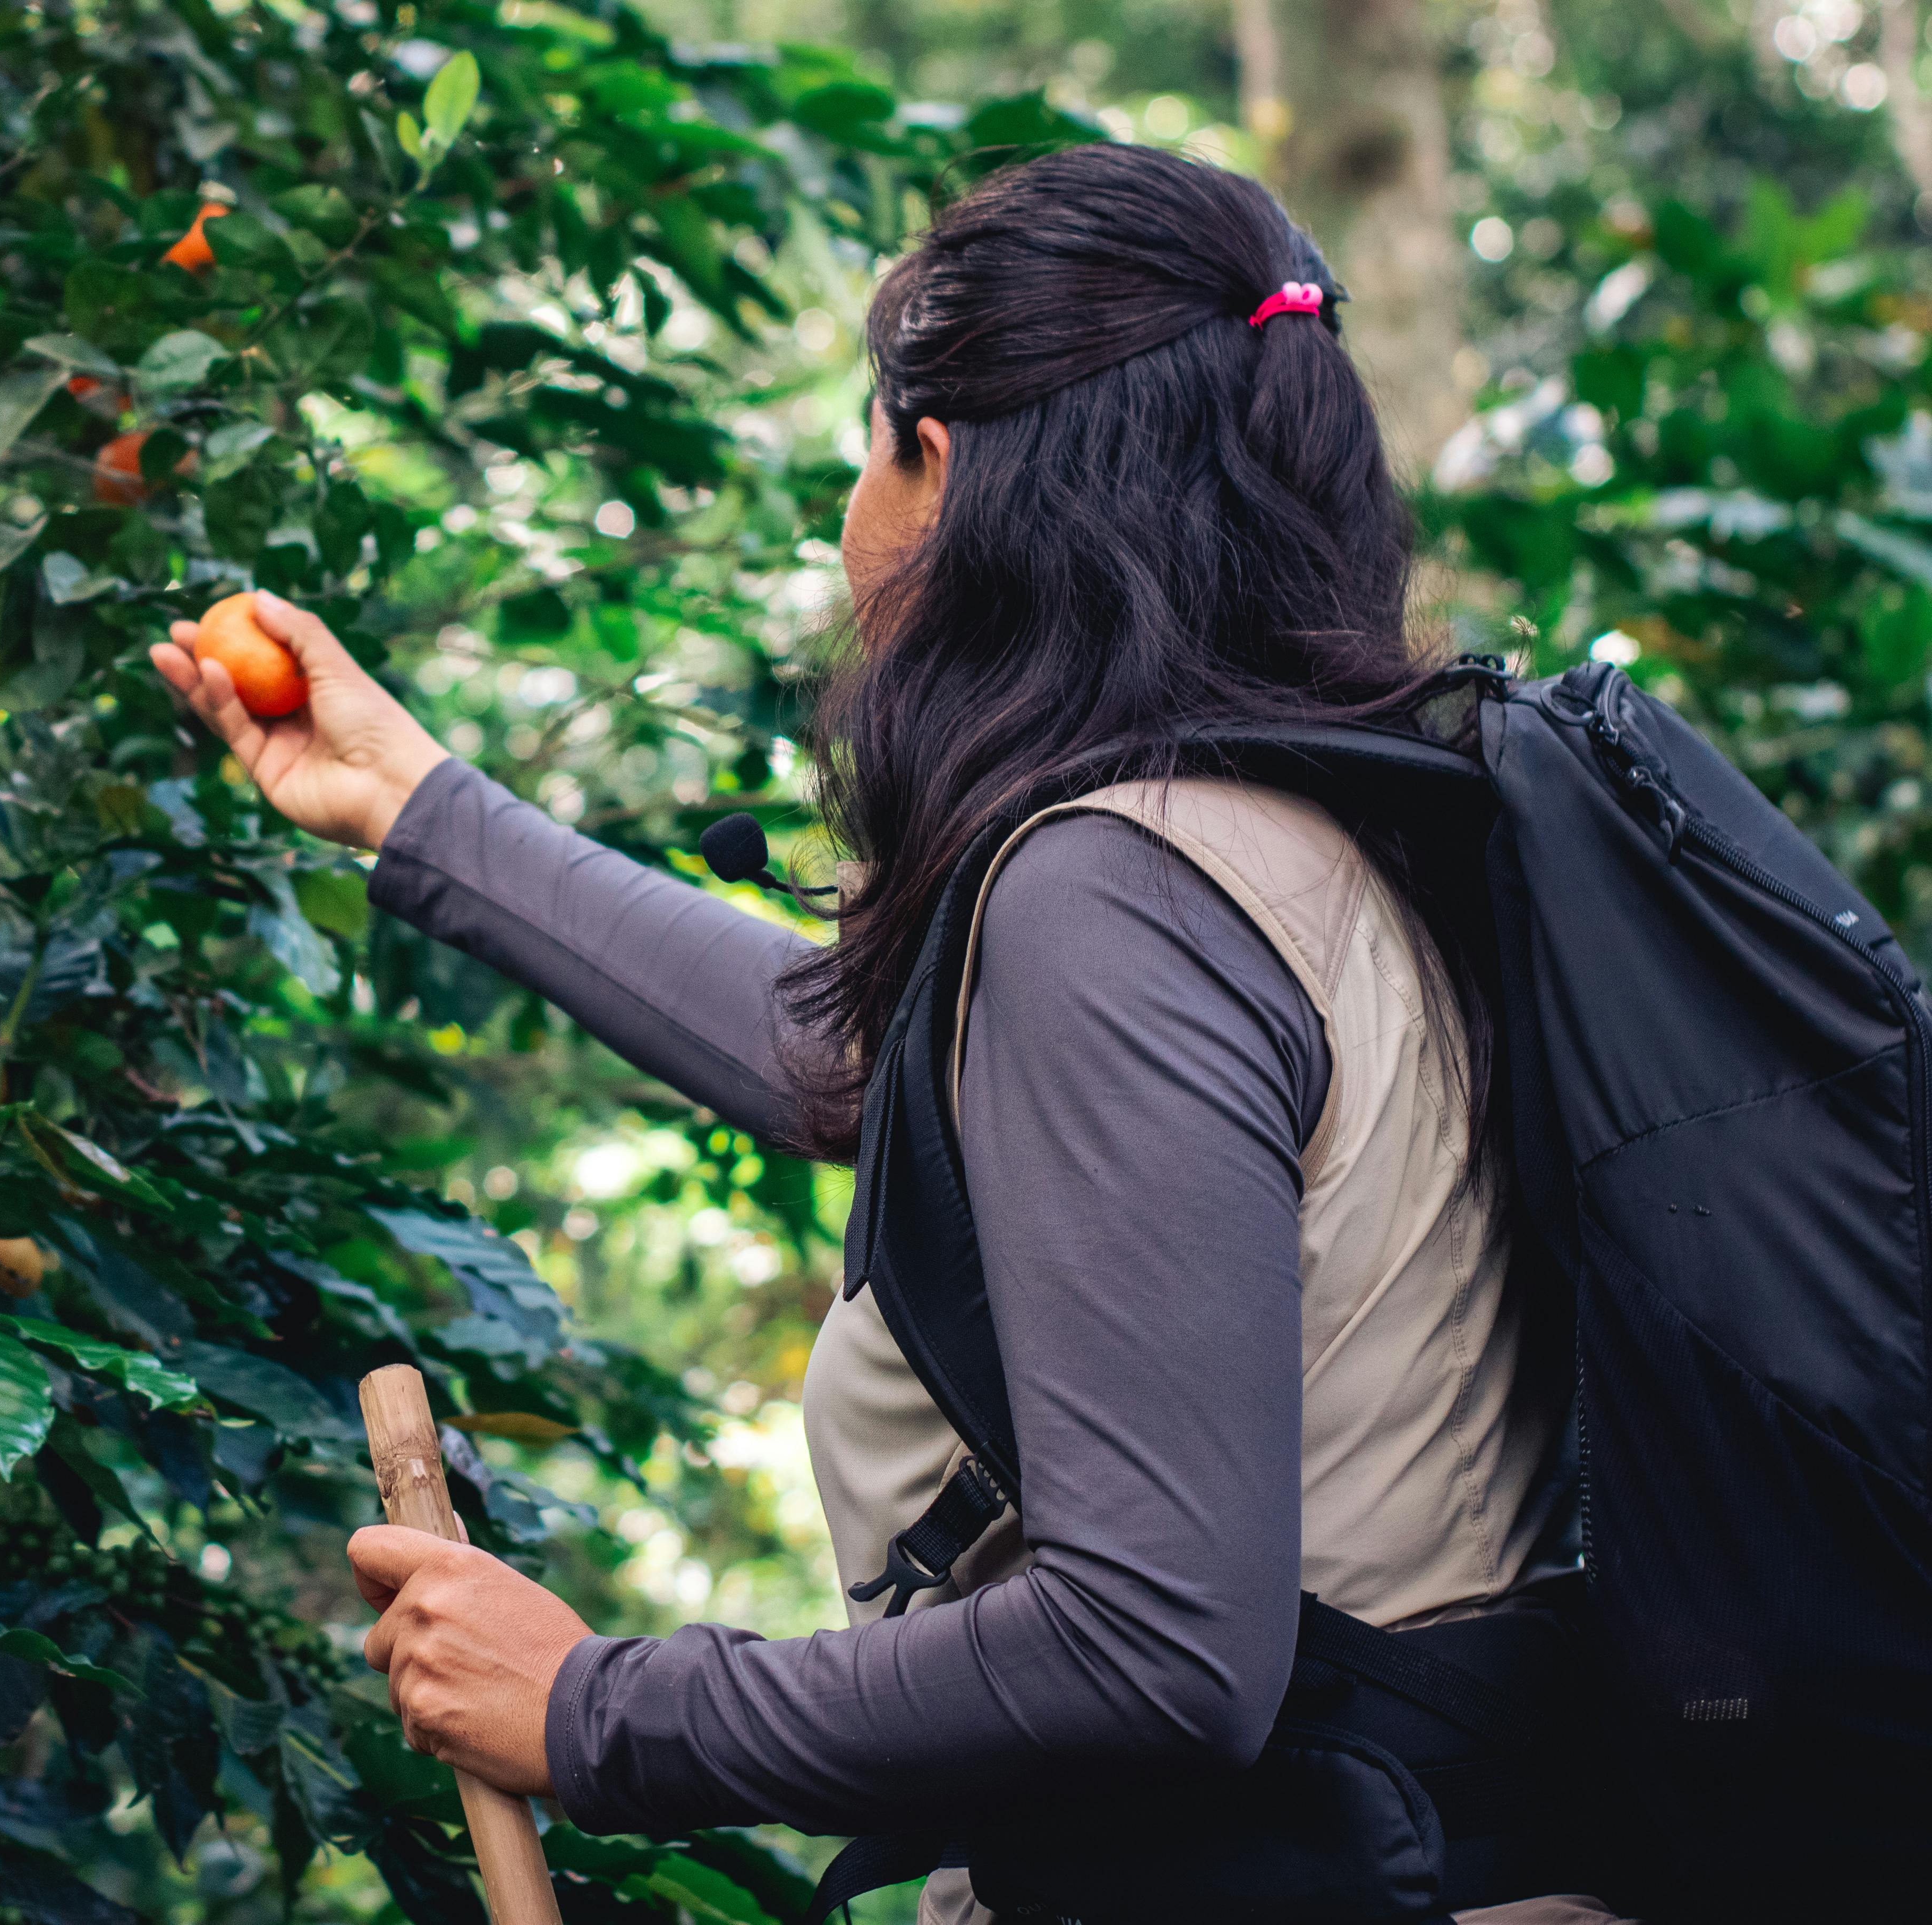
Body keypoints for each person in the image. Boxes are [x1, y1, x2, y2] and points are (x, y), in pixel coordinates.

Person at [153, 143, 1619, 1924]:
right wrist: (421, 811)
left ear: (944, 470)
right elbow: (864, 1064)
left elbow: (1155, 1647)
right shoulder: (1362, 816)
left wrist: (596, 1709)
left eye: (870, 445)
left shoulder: (1118, 891)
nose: (850, 522)